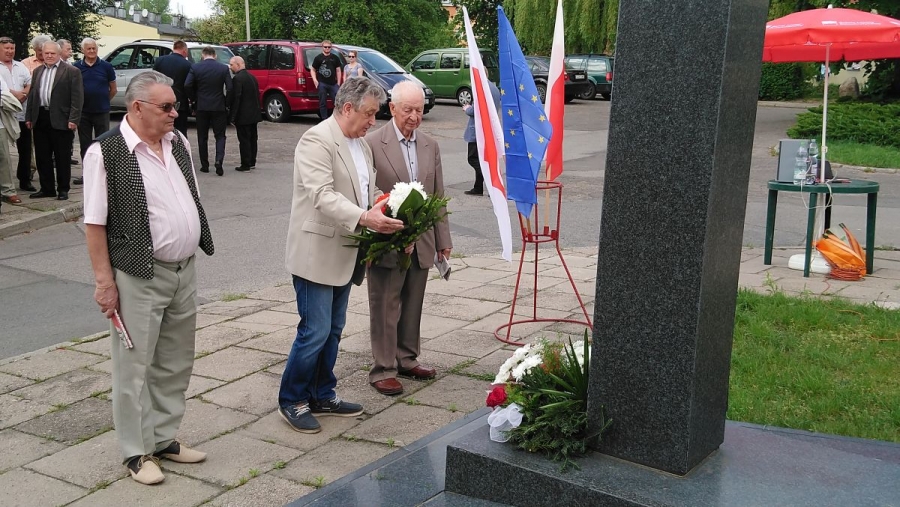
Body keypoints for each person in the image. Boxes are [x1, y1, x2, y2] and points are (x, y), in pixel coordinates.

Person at [83, 70, 214, 485]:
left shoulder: (178, 144)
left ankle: (163, 437)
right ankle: (136, 452)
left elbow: (189, 198)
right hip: (139, 273)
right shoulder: (106, 152)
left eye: (177, 105)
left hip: (184, 269)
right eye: (167, 106)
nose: (176, 113)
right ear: (137, 107)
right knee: (134, 366)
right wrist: (105, 283)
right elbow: (94, 224)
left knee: (176, 361)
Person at [280, 76, 404, 433]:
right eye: (369, 113)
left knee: (333, 330)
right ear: (347, 108)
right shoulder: (317, 139)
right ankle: (292, 399)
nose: (373, 122)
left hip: (347, 251)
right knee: (314, 331)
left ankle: (322, 394)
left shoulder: (360, 144)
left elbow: (366, 190)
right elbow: (321, 195)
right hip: (317, 253)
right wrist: (366, 217)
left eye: (376, 114)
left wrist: (392, 203)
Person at [363, 81, 451, 395]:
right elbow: (364, 191)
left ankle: (406, 358)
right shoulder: (372, 143)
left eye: (419, 110)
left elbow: (438, 194)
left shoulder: (430, 145)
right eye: (408, 110)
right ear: (392, 108)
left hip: (422, 239)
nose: (415, 116)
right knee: (385, 304)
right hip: (387, 238)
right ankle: (383, 368)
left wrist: (443, 240)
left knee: (413, 301)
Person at [25, 40, 82, 201]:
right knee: (42, 156)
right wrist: (29, 117)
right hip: (41, 117)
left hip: (62, 119)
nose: (49, 56)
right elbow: (33, 96)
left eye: (52, 53)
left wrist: (73, 119)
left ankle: (63, 189)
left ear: (58, 54)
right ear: (42, 54)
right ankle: (47, 188)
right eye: (46, 53)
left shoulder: (71, 71)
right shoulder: (38, 71)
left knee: (62, 156)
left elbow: (77, 98)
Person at [72, 38, 116, 185]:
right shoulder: (76, 67)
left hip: (101, 111)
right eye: (89, 49)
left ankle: (104, 174)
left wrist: (103, 100)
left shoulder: (106, 66)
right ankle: (87, 174)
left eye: (94, 48)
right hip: (83, 112)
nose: (92, 51)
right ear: (83, 50)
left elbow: (113, 89)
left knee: (104, 144)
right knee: (85, 145)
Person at [185, 46, 231, 176]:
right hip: (218, 105)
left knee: (202, 136)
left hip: (201, 106)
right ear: (215, 55)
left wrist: (194, 99)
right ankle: (219, 160)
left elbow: (187, 84)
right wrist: (226, 103)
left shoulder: (195, 67)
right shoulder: (223, 68)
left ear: (202, 55)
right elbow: (230, 87)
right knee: (220, 136)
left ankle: (204, 165)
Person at [0, 36, 30, 197]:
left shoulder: (20, 66)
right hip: (4, 115)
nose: (10, 51)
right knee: (3, 154)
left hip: (20, 114)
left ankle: (22, 181)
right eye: (6, 48)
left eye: (12, 48)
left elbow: (29, 82)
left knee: (23, 150)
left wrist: (22, 95)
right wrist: (15, 95)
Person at [462, 80, 500, 195]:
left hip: (478, 130)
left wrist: (467, 108)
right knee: (481, 159)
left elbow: (476, 110)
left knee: (473, 158)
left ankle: (488, 182)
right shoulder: (494, 88)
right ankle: (478, 187)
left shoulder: (482, 88)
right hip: (488, 129)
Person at [227, 56, 260, 172]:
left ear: (238, 64)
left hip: (243, 115)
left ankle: (245, 164)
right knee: (252, 139)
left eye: (232, 65)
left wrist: (232, 116)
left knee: (244, 139)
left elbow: (237, 98)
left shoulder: (238, 79)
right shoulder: (252, 77)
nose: (230, 67)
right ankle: (252, 161)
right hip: (253, 113)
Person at [153, 40, 192, 136]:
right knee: (180, 131)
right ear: (184, 51)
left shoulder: (160, 60)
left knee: (161, 129)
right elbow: (188, 84)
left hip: (160, 101)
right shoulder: (187, 64)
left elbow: (153, 79)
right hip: (180, 102)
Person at [310, 40, 342, 120]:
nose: (327, 48)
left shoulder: (335, 58)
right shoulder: (318, 58)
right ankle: (324, 119)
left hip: (333, 83)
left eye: (329, 47)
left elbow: (338, 70)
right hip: (322, 83)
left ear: (331, 47)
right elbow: (313, 69)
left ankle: (337, 118)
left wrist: (338, 83)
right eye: (325, 47)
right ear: (322, 47)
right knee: (322, 102)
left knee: (338, 101)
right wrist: (315, 80)